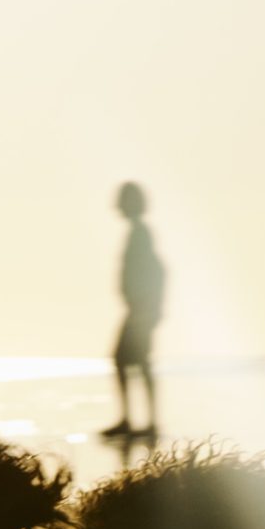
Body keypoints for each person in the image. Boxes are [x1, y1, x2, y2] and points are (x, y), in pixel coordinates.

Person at [103, 181, 165, 439]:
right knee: (133, 361)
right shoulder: (138, 232)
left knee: (130, 360)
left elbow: (157, 270)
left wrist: (147, 307)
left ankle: (144, 421)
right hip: (140, 308)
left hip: (141, 310)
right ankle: (137, 420)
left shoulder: (140, 233)